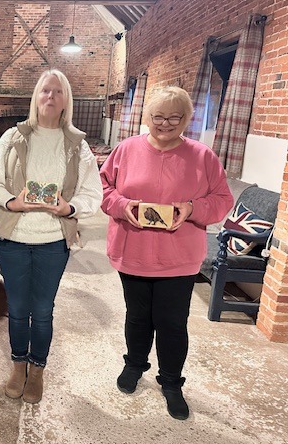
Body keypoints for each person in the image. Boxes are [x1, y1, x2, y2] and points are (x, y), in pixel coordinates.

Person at [99, 86, 234, 420]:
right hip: (133, 251)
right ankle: (134, 364)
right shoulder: (126, 149)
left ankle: (171, 381)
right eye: (158, 117)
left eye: (175, 117)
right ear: (147, 117)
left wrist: (191, 208)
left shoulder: (202, 156)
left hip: (178, 259)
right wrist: (123, 205)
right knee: (137, 316)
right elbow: (103, 189)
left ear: (186, 119)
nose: (165, 124)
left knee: (172, 323)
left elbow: (222, 201)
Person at [0, 69, 103, 404]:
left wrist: (69, 208)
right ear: (36, 96)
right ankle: (18, 365)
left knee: (43, 310)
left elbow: (93, 193)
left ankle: (37, 369)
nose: (51, 96)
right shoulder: (13, 137)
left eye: (58, 92)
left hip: (52, 242)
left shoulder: (76, 145)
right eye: (45, 90)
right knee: (18, 308)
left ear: (66, 101)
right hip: (14, 238)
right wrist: (11, 202)